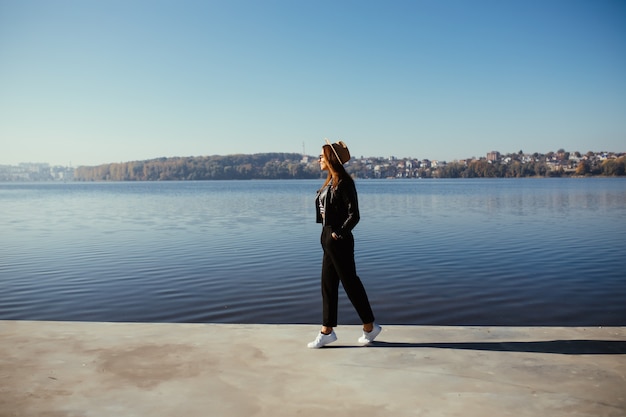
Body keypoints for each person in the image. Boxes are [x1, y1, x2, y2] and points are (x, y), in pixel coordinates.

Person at [308, 139, 382, 348]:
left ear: (331, 158)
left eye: (322, 156)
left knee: (350, 284)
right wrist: (328, 236)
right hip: (327, 238)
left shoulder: (344, 183)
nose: (319, 159)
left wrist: (338, 234)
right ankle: (327, 331)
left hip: (338, 240)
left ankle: (369, 326)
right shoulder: (331, 182)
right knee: (328, 286)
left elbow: (354, 215)